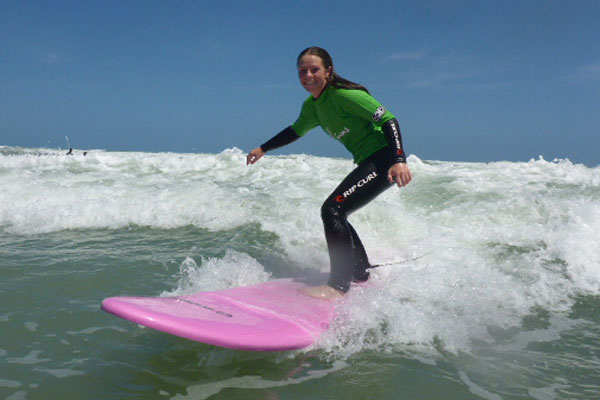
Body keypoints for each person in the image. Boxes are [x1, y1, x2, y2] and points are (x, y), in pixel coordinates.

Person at [247, 47, 412, 299]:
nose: (308, 75)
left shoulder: (344, 95)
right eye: (303, 71)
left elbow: (388, 119)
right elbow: (295, 130)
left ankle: (338, 285)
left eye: (314, 69)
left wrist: (399, 160)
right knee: (339, 211)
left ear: (328, 71)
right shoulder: (312, 107)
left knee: (332, 209)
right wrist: (263, 148)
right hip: (369, 161)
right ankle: (359, 272)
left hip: (384, 159)